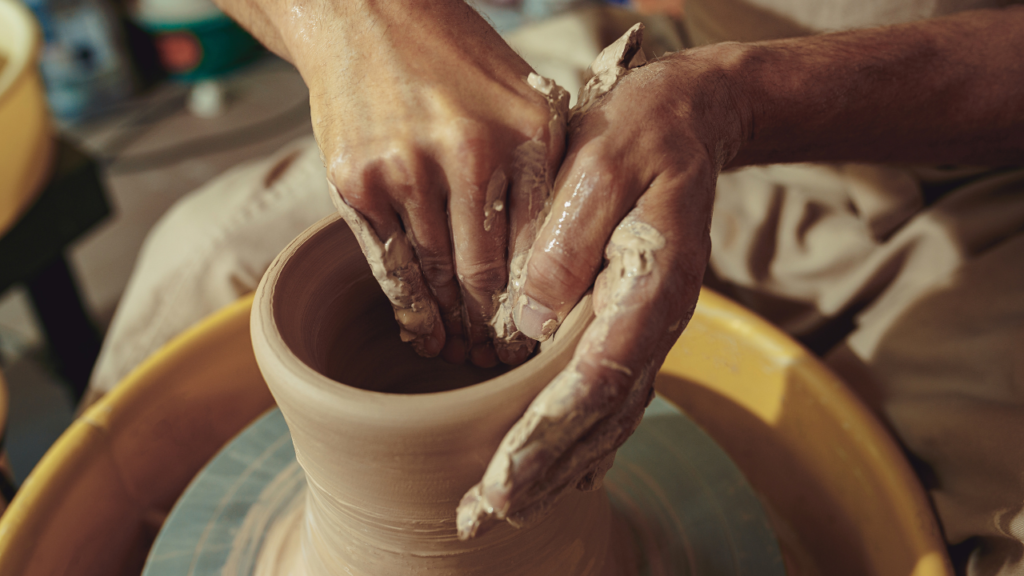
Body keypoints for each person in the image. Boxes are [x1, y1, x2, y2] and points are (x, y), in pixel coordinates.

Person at [86, 0, 1023, 572]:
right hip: (677, 56)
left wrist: (735, 103)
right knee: (201, 259)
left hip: (967, 156)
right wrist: (353, 22)